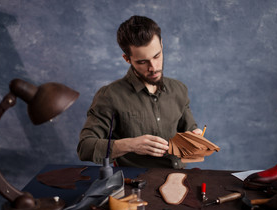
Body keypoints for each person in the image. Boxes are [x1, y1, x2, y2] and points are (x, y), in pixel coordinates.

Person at [77, 15, 202, 169]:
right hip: (136, 183)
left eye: (157, 56)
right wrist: (130, 145)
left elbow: (189, 129)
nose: (153, 67)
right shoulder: (109, 96)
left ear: (162, 45)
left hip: (180, 178)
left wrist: (195, 136)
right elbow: (85, 147)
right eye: (142, 62)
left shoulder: (179, 89)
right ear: (127, 59)